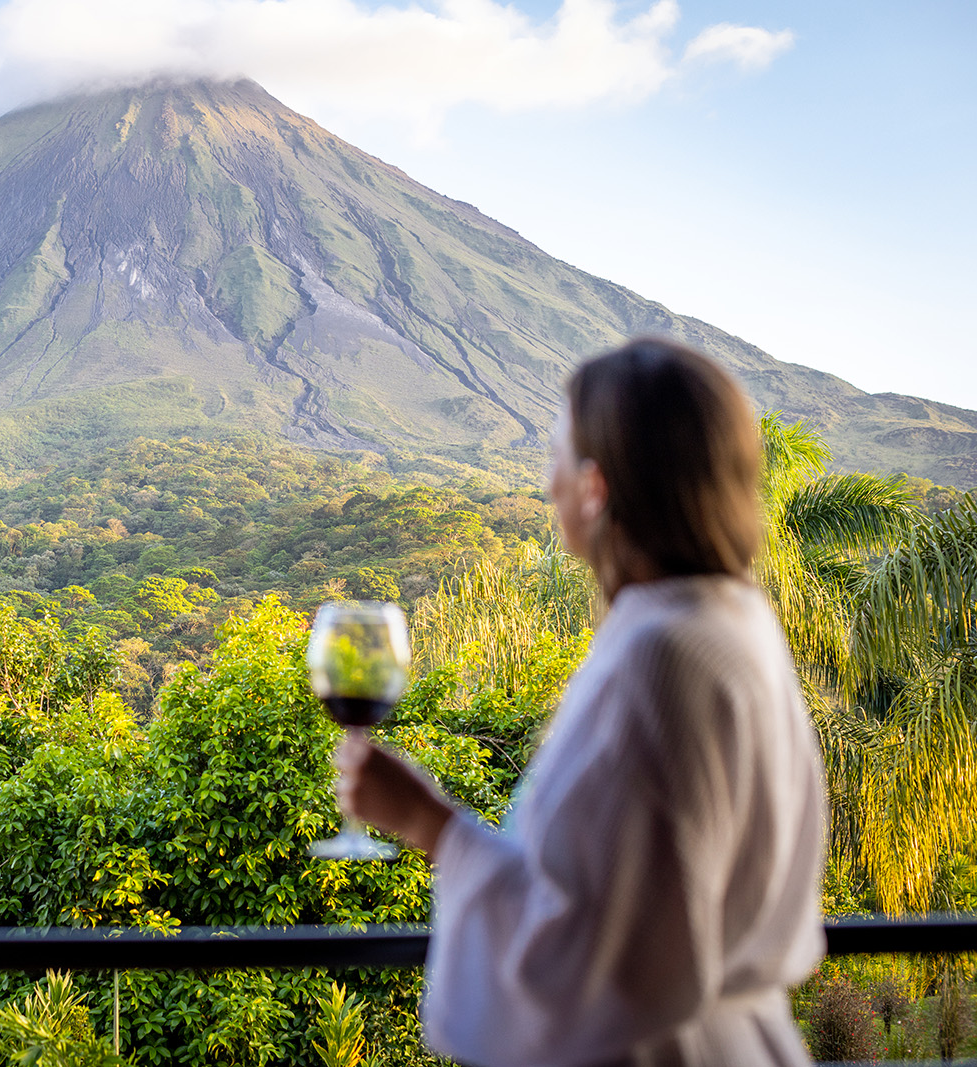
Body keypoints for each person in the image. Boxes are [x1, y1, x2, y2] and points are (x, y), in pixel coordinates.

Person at [341, 338, 826, 1066]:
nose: (547, 485)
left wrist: (426, 820)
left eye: (555, 459)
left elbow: (587, 961)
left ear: (595, 487)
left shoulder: (658, 660)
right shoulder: (732, 622)